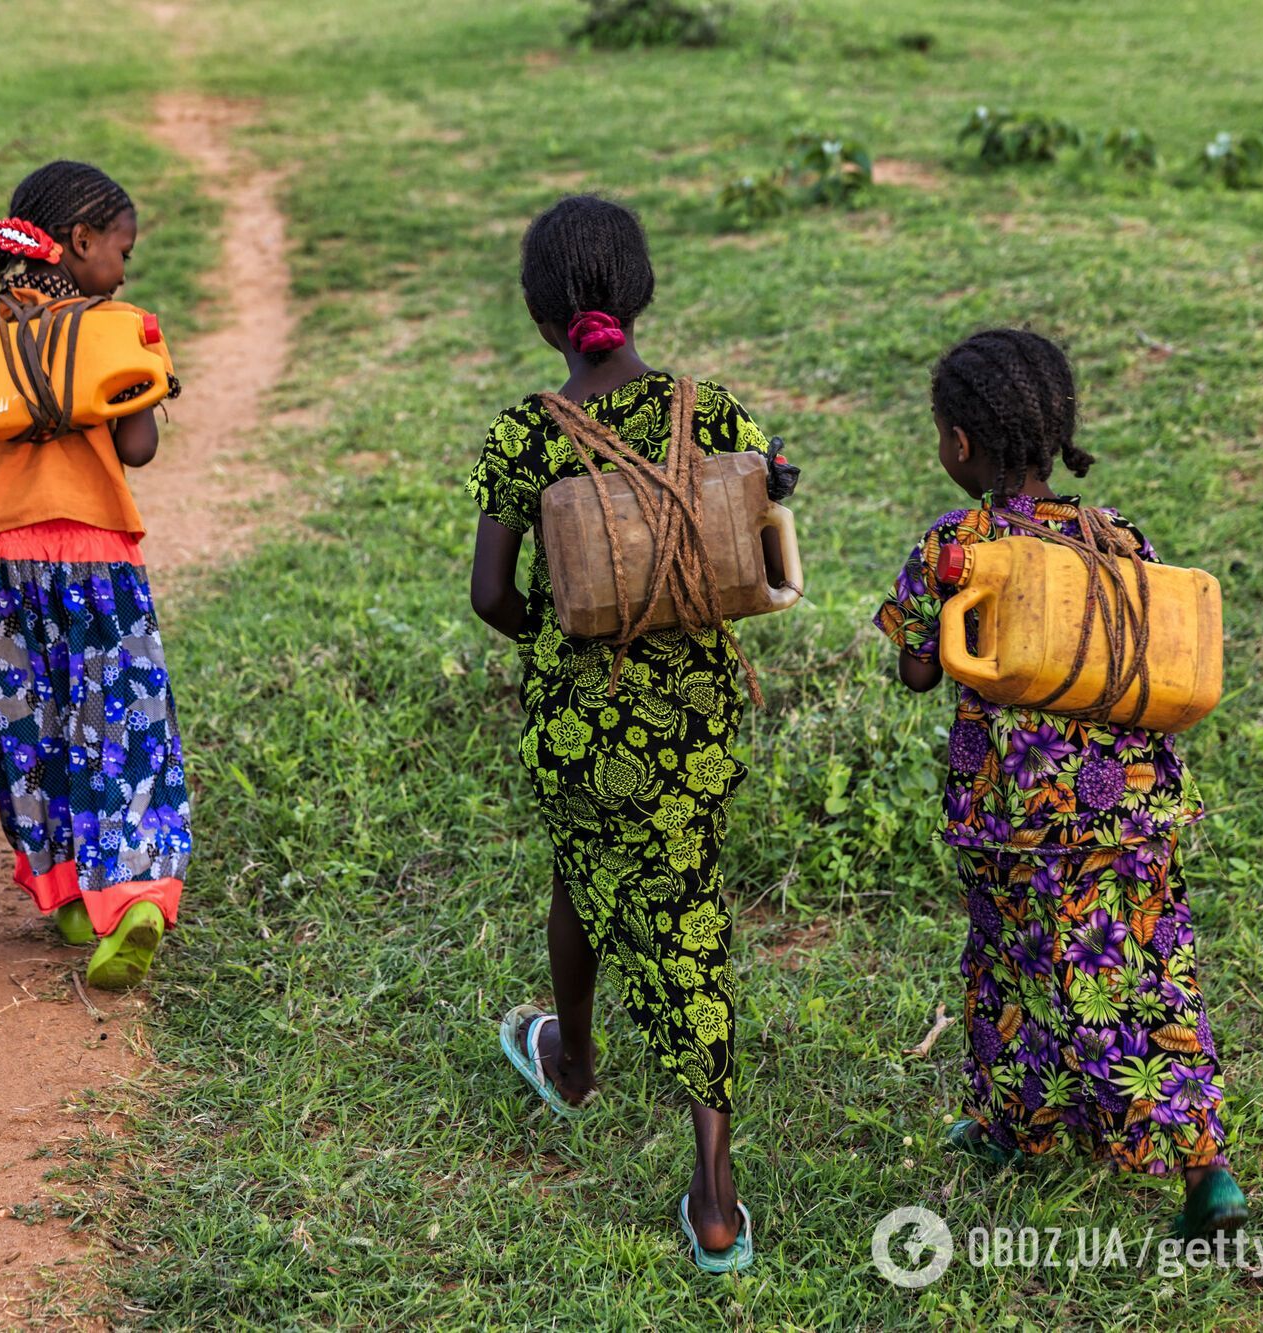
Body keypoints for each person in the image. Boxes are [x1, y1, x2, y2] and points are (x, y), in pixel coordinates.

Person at [874, 327, 1248, 1238]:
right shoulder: (1120, 536)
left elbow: (919, 669)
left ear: (960, 443)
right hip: (1132, 811)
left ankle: (1014, 1126)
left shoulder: (956, 544)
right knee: (1153, 976)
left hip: (1014, 820)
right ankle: (1208, 1173)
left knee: (1012, 965)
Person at [466, 195, 774, 1273]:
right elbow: (763, 531)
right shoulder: (714, 411)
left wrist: (551, 632)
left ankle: (576, 1064)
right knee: (686, 900)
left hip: (579, 720)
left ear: (541, 315)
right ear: (639, 296)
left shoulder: (523, 434)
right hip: (699, 718)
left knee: (579, 877)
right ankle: (714, 1188)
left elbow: (488, 596)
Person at [0, 161, 192, 991]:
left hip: (9, 563)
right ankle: (137, 892)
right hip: (99, 561)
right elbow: (138, 449)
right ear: (80, 243)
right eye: (122, 248)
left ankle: (69, 892)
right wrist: (138, 361)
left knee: (34, 726)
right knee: (120, 724)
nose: (126, 267)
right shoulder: (112, 323)